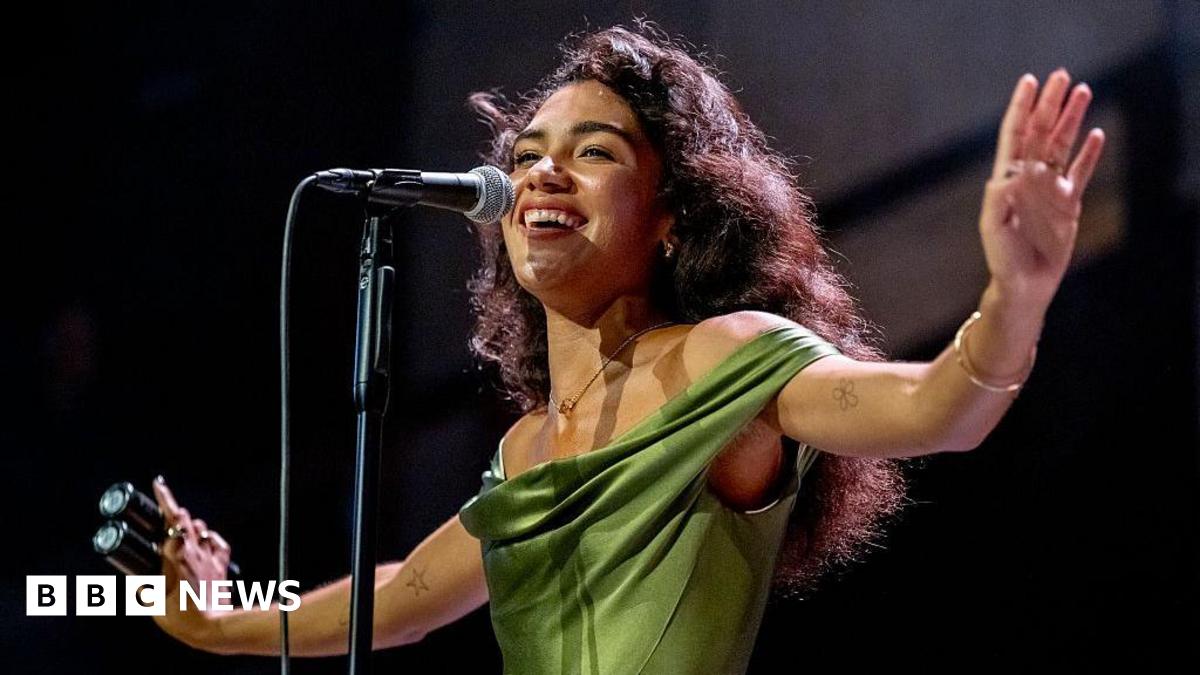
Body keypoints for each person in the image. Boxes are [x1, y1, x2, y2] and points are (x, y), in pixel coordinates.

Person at [150, 24, 1105, 674]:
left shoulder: (727, 357)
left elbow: (940, 406)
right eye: (526, 156)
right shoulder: (525, 448)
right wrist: (212, 622)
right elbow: (401, 592)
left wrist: (1013, 294)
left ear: (671, 218)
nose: (541, 173)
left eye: (594, 151)